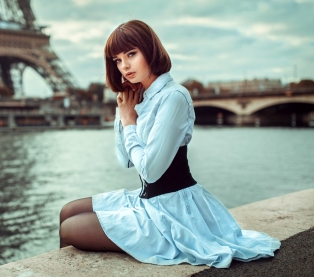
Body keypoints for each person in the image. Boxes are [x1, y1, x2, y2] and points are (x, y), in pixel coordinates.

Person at [59, 20, 280, 268]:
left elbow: (151, 173)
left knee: (70, 228)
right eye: (118, 60)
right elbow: (126, 160)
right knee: (67, 211)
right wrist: (123, 116)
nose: (125, 66)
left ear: (150, 50)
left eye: (131, 54)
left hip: (173, 210)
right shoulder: (142, 98)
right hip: (147, 200)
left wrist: (130, 123)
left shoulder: (174, 97)